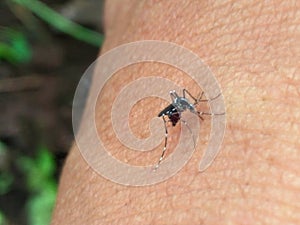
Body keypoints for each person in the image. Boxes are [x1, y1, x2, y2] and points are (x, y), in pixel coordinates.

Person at [52, 1, 300, 224]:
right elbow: (180, 108)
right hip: (168, 116)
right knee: (181, 111)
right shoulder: (177, 110)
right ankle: (163, 153)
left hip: (173, 109)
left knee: (184, 103)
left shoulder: (184, 101)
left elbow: (185, 102)